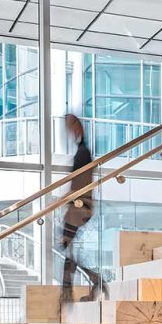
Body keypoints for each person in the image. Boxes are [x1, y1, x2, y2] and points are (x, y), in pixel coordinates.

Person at [59, 113, 103, 302]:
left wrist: (68, 199)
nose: (70, 131)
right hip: (79, 206)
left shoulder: (84, 152)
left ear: (79, 127)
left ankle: (70, 292)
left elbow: (83, 183)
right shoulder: (82, 150)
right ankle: (91, 283)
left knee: (68, 248)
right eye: (69, 127)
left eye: (72, 126)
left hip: (80, 207)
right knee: (69, 250)